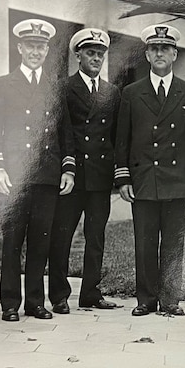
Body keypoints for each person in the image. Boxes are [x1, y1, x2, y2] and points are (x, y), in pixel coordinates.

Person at [0, 18, 75, 322]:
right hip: (14, 177)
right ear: (19, 47)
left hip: (47, 176)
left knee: (41, 240)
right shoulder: (3, 84)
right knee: (12, 241)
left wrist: (68, 169)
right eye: (30, 45)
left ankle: (35, 302)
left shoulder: (55, 87)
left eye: (41, 46)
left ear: (47, 50)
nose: (35, 51)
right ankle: (10, 302)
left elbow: (66, 133)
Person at [114, 24, 185, 317]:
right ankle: (145, 299)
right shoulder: (131, 92)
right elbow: (122, 140)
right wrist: (123, 177)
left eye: (165, 49)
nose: (160, 53)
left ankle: (170, 300)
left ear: (175, 54)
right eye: (154, 49)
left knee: (173, 243)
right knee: (145, 242)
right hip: (144, 179)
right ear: (147, 55)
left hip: (177, 180)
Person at [48, 27, 121, 313]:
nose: (96, 58)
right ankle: (59, 295)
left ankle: (90, 292)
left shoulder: (111, 92)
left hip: (100, 176)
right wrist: (66, 168)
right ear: (78, 55)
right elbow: (61, 132)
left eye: (100, 54)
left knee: (96, 236)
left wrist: (116, 169)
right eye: (90, 53)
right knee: (62, 235)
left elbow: (115, 135)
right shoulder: (63, 88)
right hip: (73, 174)